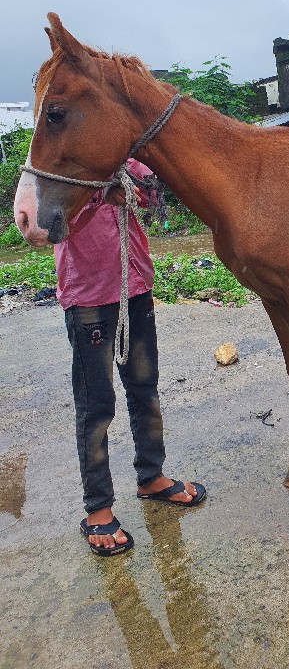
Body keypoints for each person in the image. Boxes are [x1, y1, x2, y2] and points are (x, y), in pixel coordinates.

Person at [54, 158, 206, 556]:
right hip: (89, 298)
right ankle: (98, 509)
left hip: (134, 287)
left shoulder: (127, 158)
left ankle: (150, 477)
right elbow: (46, 224)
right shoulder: (58, 161)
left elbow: (154, 202)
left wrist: (137, 182)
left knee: (145, 389)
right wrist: (102, 194)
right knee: (97, 406)